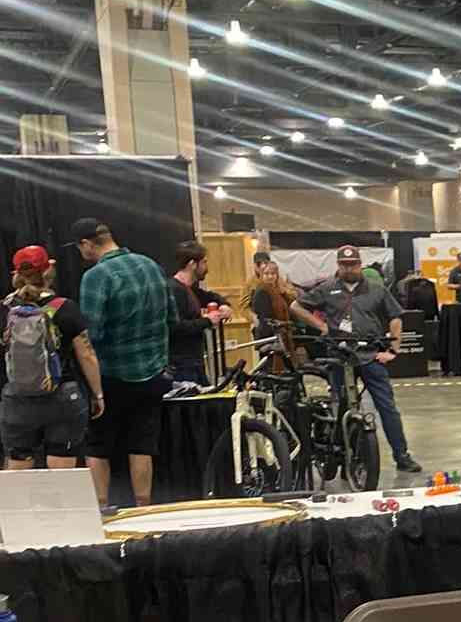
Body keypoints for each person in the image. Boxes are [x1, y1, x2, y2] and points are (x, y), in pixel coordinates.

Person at [288, 245, 422, 476]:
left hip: (370, 355)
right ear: (338, 265)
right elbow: (295, 306)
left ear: (360, 264)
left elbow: (396, 318)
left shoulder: (377, 290)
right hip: (339, 357)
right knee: (338, 404)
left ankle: (402, 455)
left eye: (353, 264)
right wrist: (320, 326)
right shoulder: (326, 289)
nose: (349, 269)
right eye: (344, 264)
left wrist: (393, 349)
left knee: (387, 407)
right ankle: (339, 452)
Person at [72, 217, 176, 509]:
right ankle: (144, 509)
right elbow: (172, 319)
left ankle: (102, 511)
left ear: (87, 244)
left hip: (110, 377)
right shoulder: (151, 265)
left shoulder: (96, 276)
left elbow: (91, 334)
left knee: (98, 446)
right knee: (142, 445)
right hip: (153, 373)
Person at [0, 245, 103, 472]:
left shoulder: (5, 309)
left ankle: (19, 509)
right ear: (48, 271)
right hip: (62, 396)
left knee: (18, 466)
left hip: (17, 398)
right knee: (61, 469)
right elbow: (86, 354)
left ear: (15, 274)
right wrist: (97, 394)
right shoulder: (65, 308)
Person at [167, 240, 232, 382]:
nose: (206, 267)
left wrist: (224, 305)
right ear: (192, 264)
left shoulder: (189, 289)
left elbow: (209, 296)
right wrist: (207, 321)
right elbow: (176, 328)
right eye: (204, 262)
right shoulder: (175, 290)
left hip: (193, 362)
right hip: (182, 366)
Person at [248, 255, 302, 369]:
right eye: (266, 274)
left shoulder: (278, 290)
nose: (270, 277)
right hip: (269, 336)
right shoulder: (262, 291)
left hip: (281, 334)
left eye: (273, 274)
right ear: (261, 275)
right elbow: (263, 317)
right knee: (271, 367)